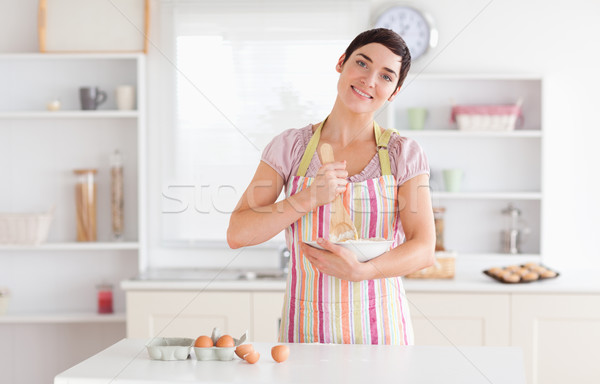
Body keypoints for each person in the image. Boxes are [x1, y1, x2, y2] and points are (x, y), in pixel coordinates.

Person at [227, 28, 435, 345]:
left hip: (381, 334)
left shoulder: (402, 154)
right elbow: (238, 233)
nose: (369, 80)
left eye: (386, 76)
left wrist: (362, 272)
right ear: (341, 62)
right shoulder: (290, 147)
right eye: (362, 64)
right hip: (306, 334)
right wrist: (307, 198)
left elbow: (423, 248)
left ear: (394, 91)